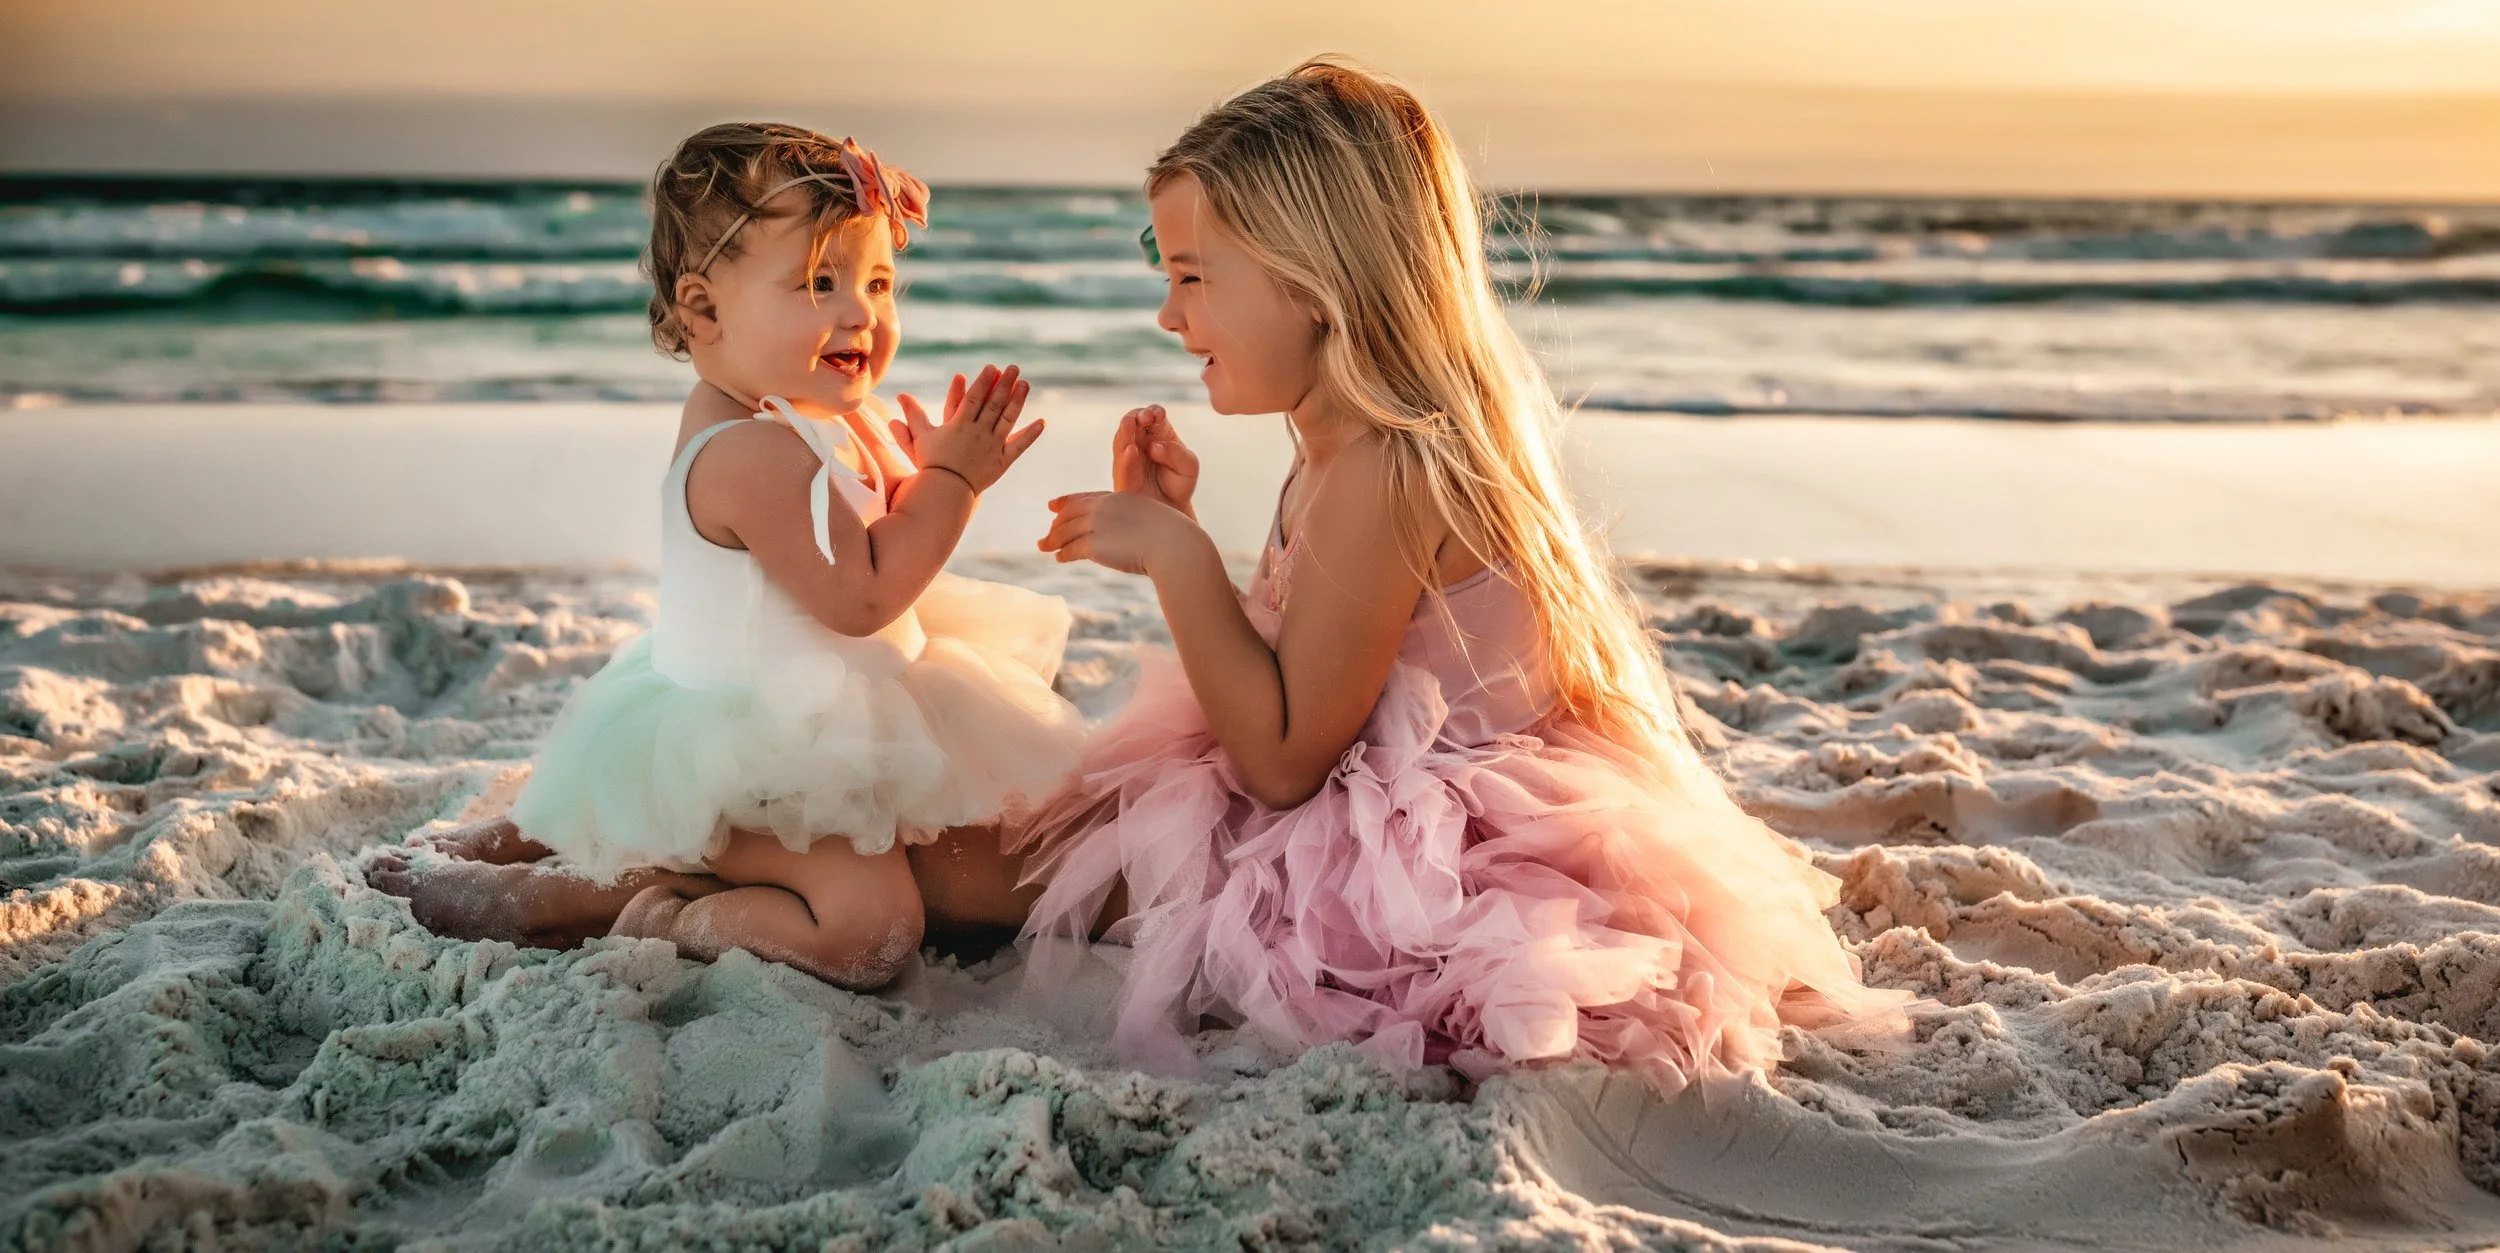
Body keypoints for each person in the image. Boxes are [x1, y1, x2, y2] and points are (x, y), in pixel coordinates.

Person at [987, 58, 1907, 1088]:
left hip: (1394, 858)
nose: (1169, 315)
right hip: (1337, 792)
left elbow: (1284, 762)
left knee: (1012, 871)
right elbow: (1291, 664)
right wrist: (1184, 524)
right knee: (1035, 839)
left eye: (1193, 276)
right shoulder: (1336, 441)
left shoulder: (1386, 464)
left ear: (1315, 284)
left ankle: (797, 868)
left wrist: (1176, 560)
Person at [370, 122, 1085, 990]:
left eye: (879, 282)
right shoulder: (751, 453)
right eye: (819, 282)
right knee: (868, 930)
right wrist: (953, 484)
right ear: (704, 308)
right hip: (760, 750)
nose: (861, 311)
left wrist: (914, 475)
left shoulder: (805, 416)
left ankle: (541, 832)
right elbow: (861, 598)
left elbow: (869, 542)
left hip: (839, 715)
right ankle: (631, 902)